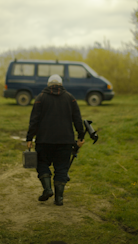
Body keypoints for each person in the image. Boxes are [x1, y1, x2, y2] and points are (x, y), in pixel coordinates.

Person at [26, 74, 85, 206]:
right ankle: (59, 199)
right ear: (61, 84)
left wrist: (29, 138)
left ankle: (47, 189)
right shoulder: (70, 98)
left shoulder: (40, 98)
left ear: (48, 84)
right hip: (65, 141)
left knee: (42, 164)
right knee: (62, 168)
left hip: (44, 140)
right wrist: (80, 137)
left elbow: (34, 120)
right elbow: (77, 119)